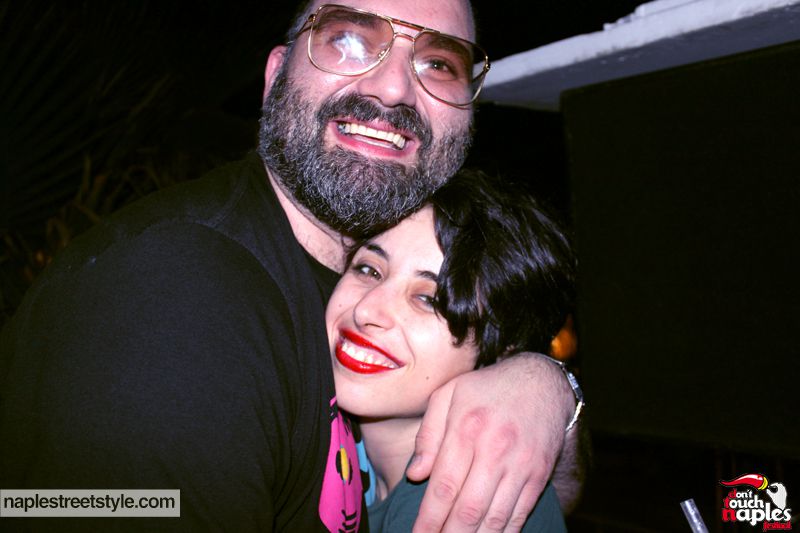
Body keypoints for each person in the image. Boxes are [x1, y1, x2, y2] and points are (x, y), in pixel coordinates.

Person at [0, 0, 583, 531]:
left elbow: (526, 498)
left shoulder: (347, 292)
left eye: (438, 64)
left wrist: (547, 387)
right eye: (349, 40)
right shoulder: (175, 303)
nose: (393, 88)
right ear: (276, 75)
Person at [327, 169, 576, 532]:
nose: (367, 310)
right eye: (369, 269)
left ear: (499, 347)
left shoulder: (459, 506)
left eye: (428, 299)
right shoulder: (333, 449)